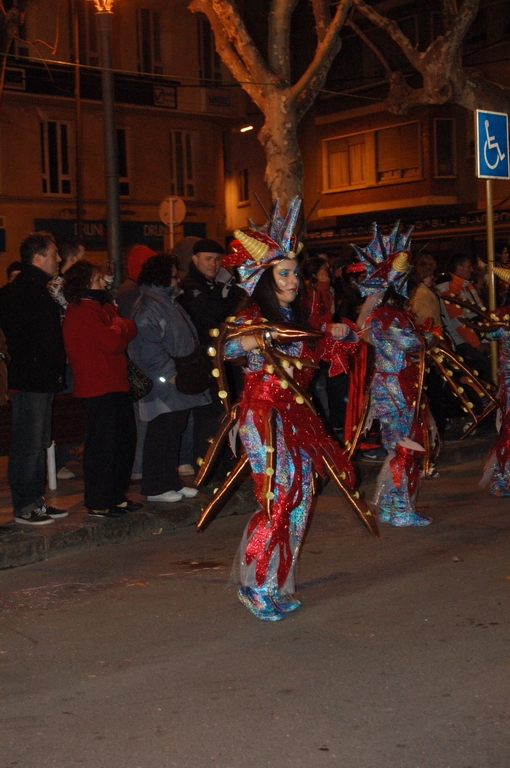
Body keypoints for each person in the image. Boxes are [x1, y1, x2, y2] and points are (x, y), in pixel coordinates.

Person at [217, 198, 362, 621]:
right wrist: (261, 338)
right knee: (279, 497)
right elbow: (226, 347)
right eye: (285, 272)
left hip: (297, 414)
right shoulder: (252, 314)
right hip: (262, 414)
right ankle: (254, 584)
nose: (294, 279)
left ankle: (276, 583)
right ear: (265, 276)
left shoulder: (299, 315)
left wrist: (337, 333)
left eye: (296, 272)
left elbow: (324, 354)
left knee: (300, 498)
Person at [354, 223, 437, 526]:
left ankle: (392, 506)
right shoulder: (389, 315)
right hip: (396, 388)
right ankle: (399, 509)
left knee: (397, 447)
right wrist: (429, 336)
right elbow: (411, 343)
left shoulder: (381, 315)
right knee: (404, 447)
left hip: (391, 386)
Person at [128, 254, 211, 502]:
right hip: (164, 383)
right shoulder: (149, 306)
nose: (178, 280)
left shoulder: (167, 301)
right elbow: (149, 347)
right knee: (160, 432)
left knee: (174, 430)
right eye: (175, 275)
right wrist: (169, 376)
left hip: (179, 376)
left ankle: (170, 481)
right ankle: (155, 486)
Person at [62, 260, 141, 519]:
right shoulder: (81, 312)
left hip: (115, 384)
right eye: (98, 279)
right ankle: (98, 500)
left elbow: (129, 326)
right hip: (97, 387)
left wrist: (119, 327)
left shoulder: (102, 308)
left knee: (123, 442)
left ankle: (117, 496)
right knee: (103, 447)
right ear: (86, 283)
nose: (104, 282)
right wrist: (119, 328)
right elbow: (112, 343)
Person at [0, 233, 67, 525]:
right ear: (38, 257)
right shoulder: (24, 291)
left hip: (41, 376)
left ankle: (35, 500)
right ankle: (25, 504)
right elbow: (34, 336)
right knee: (28, 443)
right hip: (31, 377)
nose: (59, 259)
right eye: (54, 254)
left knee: (38, 441)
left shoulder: (39, 289)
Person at [437, 254, 491, 382]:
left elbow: (479, 313)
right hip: (462, 341)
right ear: (459, 267)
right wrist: (477, 344)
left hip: (475, 336)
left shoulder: (467, 286)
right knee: (486, 367)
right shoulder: (449, 289)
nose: (471, 270)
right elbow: (458, 322)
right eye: (468, 267)